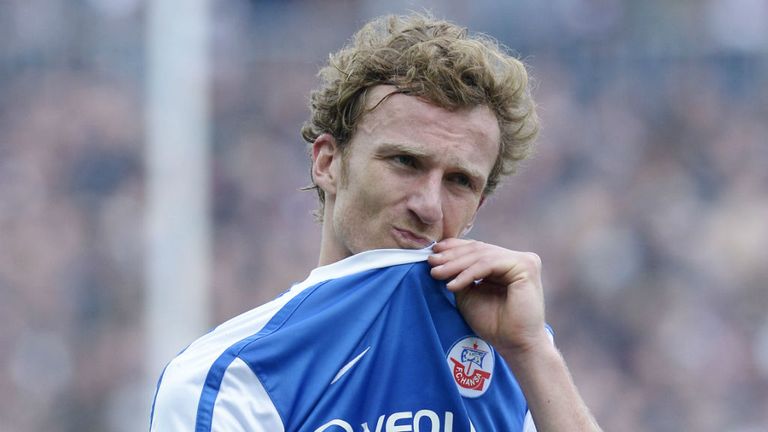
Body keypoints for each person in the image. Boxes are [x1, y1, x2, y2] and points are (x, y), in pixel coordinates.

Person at [150, 13, 601, 432]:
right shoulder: (229, 378)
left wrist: (531, 352)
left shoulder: (513, 357)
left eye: (459, 181)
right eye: (405, 161)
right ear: (328, 162)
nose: (429, 206)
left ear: (478, 208)